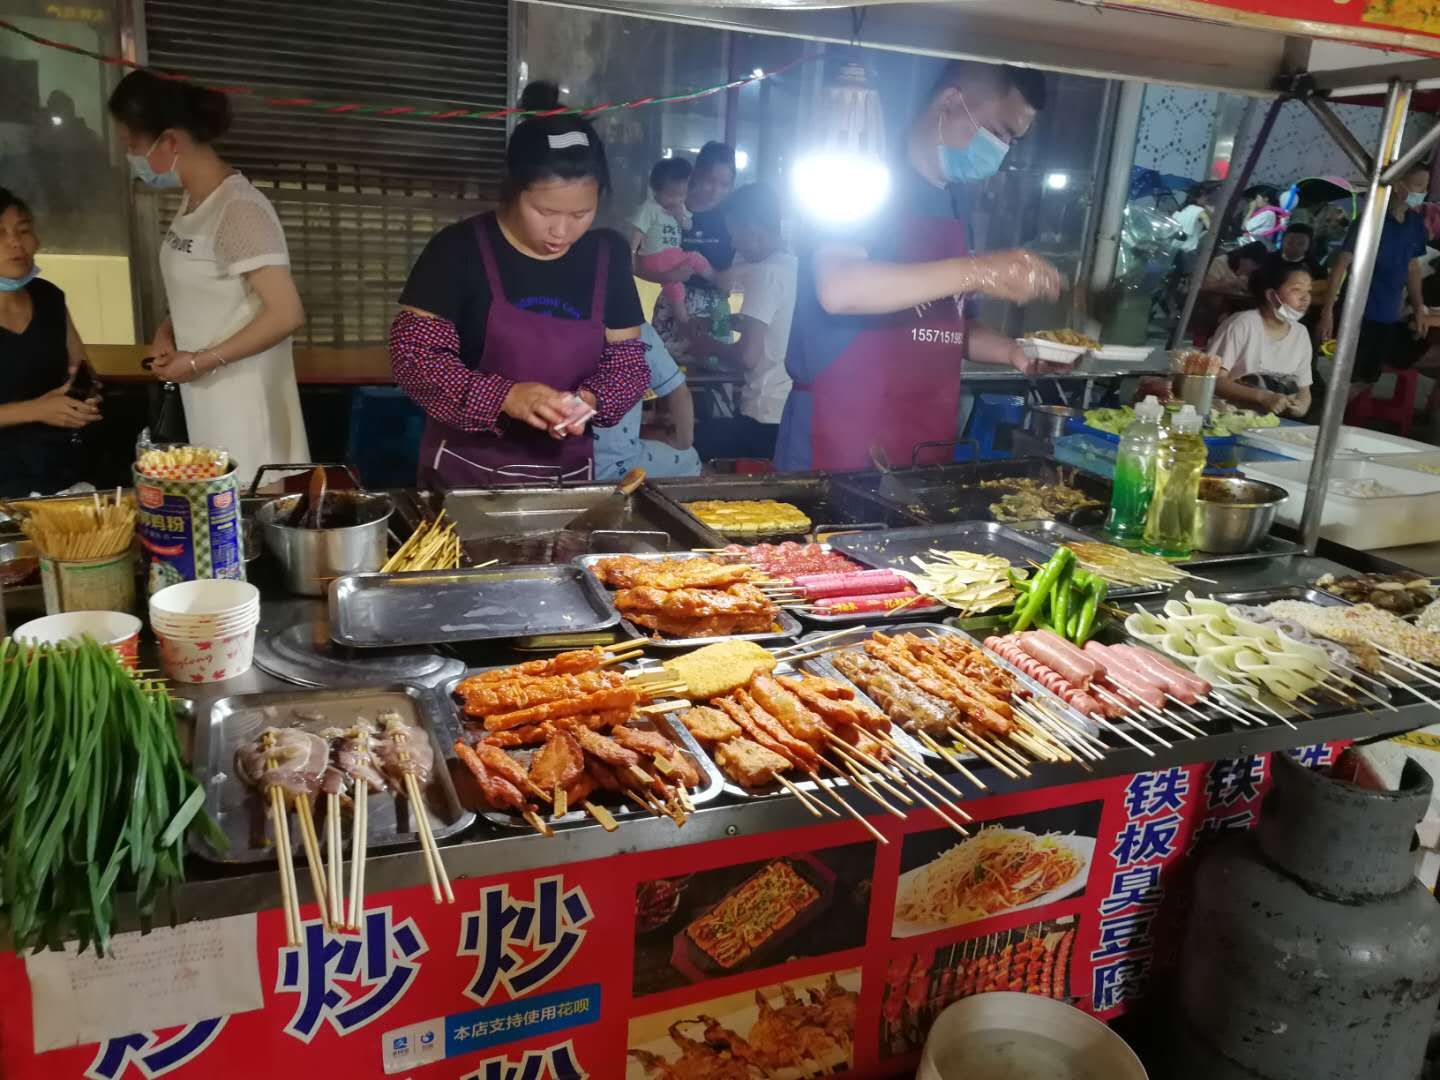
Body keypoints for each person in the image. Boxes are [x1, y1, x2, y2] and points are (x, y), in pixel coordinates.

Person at [774, 60, 1062, 472]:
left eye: (1012, 142)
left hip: (922, 441)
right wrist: (980, 269)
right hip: (838, 432)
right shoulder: (859, 175)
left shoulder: (957, 203)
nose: (1002, 151)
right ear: (949, 101)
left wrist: (1016, 352)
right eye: (999, 133)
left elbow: (948, 325)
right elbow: (840, 288)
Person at [390, 82, 648, 487]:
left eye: (582, 213)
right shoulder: (458, 249)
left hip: (566, 476)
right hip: (464, 476)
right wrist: (506, 397)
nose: (561, 230)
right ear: (513, 189)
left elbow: (628, 364)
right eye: (545, 210)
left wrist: (587, 402)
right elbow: (415, 357)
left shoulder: (607, 255)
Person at [108, 70, 308, 482]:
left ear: (171, 142)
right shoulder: (195, 203)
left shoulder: (239, 210)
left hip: (246, 404)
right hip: (205, 399)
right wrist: (169, 331)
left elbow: (286, 314)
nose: (129, 155)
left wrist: (200, 361)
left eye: (132, 143)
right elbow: (205, 292)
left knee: (242, 518)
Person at [0, 187, 102, 497]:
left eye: (23, 229)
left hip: (58, 473)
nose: (15, 242)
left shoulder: (48, 296)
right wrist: (37, 409)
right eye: (0, 233)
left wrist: (85, 397)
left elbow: (83, 370)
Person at [694, 183, 796, 462]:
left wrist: (704, 344)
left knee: (690, 444)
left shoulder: (767, 273)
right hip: (790, 409)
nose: (733, 243)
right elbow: (779, 328)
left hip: (764, 411)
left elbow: (748, 356)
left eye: (734, 234)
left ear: (752, 228)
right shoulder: (795, 266)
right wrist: (736, 322)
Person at [1319, 164, 1432, 390]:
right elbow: (1343, 264)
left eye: (1426, 186)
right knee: (1347, 376)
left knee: (1367, 377)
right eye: (1418, 185)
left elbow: (1412, 267)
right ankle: (1327, 420)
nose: (1423, 192)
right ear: (1399, 186)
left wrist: (1420, 306)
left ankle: (1336, 420)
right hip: (1358, 312)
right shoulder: (1371, 219)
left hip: (1389, 313)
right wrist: (1328, 311)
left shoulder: (1415, 224)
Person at [649, 141, 737, 365]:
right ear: (695, 174)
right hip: (673, 303)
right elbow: (647, 260)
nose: (715, 190)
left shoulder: (732, 217)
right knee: (666, 380)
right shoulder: (671, 207)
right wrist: (669, 279)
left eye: (724, 184)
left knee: (714, 379)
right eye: (709, 181)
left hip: (715, 309)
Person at [593, 323, 699, 481]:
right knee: (690, 458)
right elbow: (679, 392)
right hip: (616, 465)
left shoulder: (553, 326)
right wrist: (682, 441)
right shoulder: (638, 330)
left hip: (558, 459)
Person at [1210, 261, 1314, 418]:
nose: (1305, 298)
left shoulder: (1301, 333)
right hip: (1228, 416)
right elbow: (1213, 380)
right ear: (1271, 295)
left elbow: (1304, 389)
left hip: (1273, 423)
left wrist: (1302, 405)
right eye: (1296, 290)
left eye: (1308, 291)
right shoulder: (1242, 324)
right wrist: (1262, 397)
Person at [629, 158, 714, 325]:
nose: (675, 200)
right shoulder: (651, 208)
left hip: (673, 255)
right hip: (656, 257)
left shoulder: (680, 208)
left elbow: (688, 226)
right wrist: (631, 253)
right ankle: (684, 321)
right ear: (656, 190)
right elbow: (637, 231)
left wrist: (680, 217)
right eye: (670, 195)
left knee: (685, 271)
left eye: (681, 195)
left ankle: (713, 281)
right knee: (679, 277)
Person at [1172, 185, 1214, 273]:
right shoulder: (1200, 211)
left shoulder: (1181, 209)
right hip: (1189, 250)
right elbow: (1212, 229)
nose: (1208, 198)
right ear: (1197, 197)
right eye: (1205, 196)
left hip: (1175, 248)